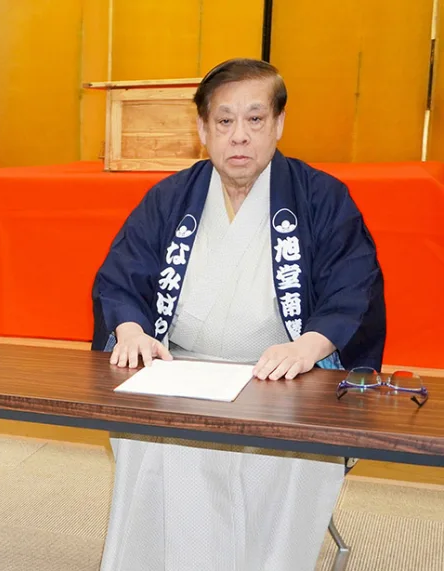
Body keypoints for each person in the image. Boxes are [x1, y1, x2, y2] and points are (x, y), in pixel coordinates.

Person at [91, 58, 386, 570]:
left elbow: (353, 286)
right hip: (181, 372)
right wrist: (131, 329)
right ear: (203, 129)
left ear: (278, 124)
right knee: (156, 439)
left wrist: (309, 345)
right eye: (224, 121)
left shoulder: (321, 197)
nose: (240, 136)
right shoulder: (169, 198)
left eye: (255, 119)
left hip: (287, 376)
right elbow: (121, 276)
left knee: (288, 455)